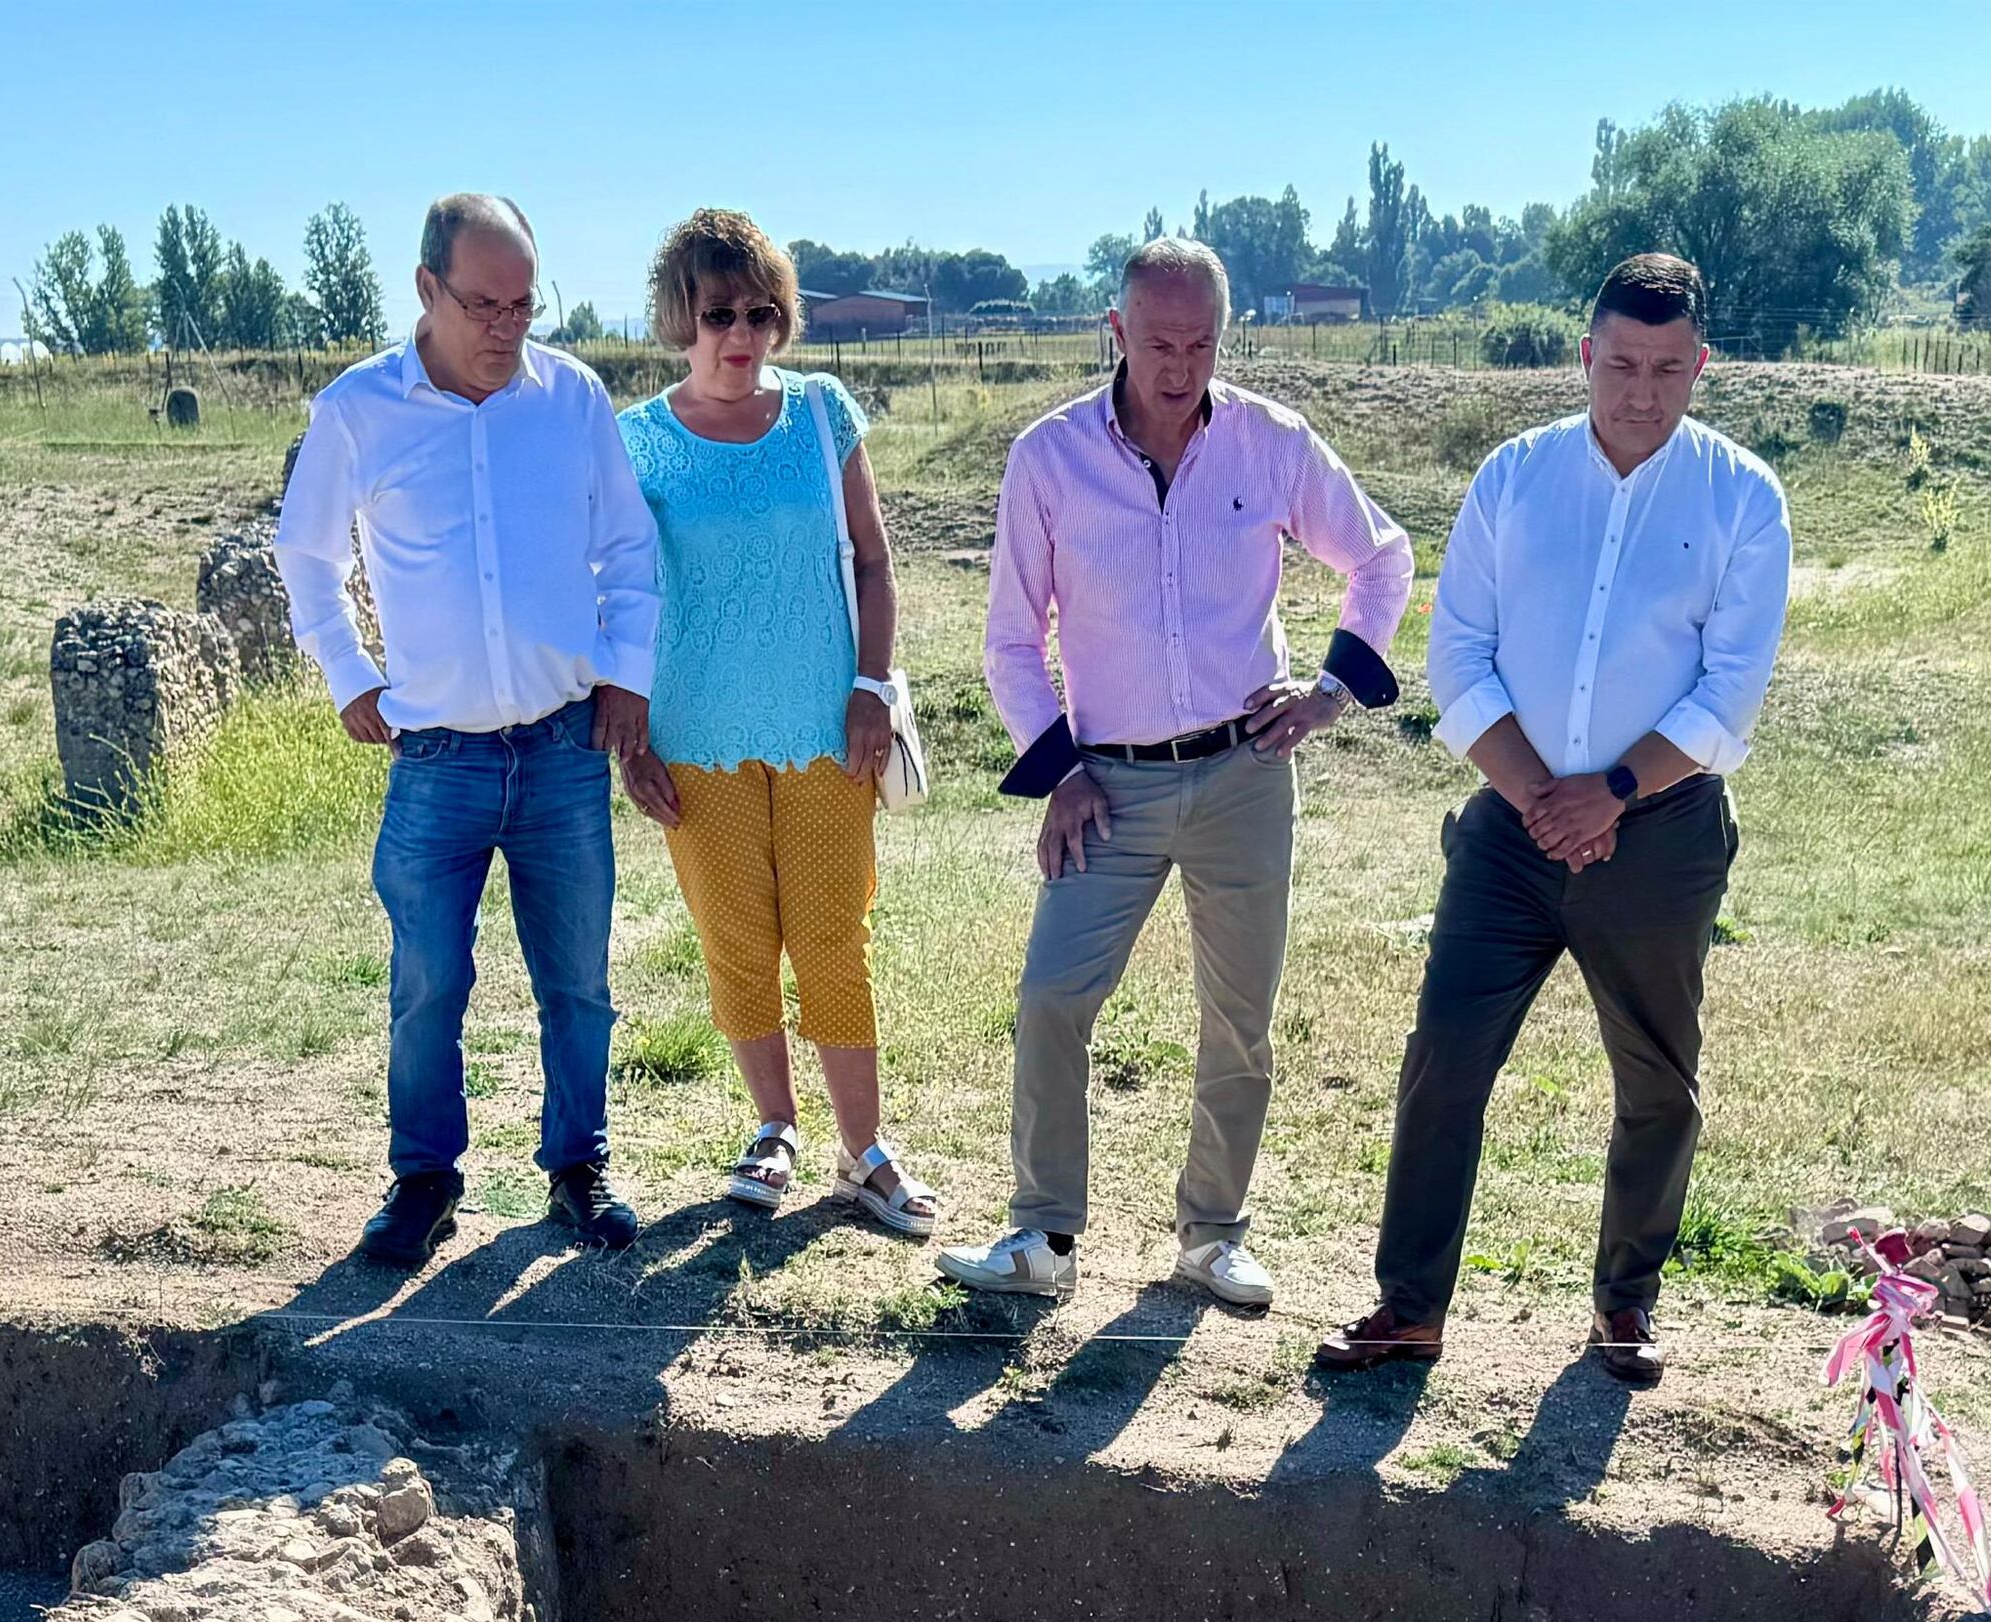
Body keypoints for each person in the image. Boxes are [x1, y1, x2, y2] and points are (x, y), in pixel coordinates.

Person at [1313, 250, 1787, 1395]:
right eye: (1620, 363)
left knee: (1657, 1081)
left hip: (1659, 836)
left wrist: (1611, 792)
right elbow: (1455, 653)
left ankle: (1626, 1305)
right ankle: (1410, 1306)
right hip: (1507, 830)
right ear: (1585, 354)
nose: (1640, 390)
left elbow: (1727, 692)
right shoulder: (1513, 479)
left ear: (1699, 366)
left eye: (1667, 369)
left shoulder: (1741, 497)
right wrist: (1537, 793)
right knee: (1443, 1063)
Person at [950, 238, 1412, 1317]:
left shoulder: (1270, 444)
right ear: (1114, 333)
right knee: (1051, 997)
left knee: (1238, 1015)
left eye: (1201, 343)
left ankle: (1211, 1237)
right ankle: (1042, 1232)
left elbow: (1380, 559)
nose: (1180, 364)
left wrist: (1333, 692)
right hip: (1102, 783)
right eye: (1158, 342)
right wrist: (1058, 771)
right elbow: (1011, 643)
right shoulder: (1048, 458)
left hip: (1243, 771)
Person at [272, 190, 664, 1272]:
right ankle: (423, 1181)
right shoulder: (358, 410)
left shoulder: (572, 397)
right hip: (433, 757)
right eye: (483, 303)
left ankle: (577, 1168)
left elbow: (628, 549)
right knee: (428, 979)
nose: (506, 326)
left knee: (577, 978)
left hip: (560, 749)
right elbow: (305, 554)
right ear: (427, 290)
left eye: (523, 304)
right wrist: (347, 673)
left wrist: (625, 678)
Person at [613, 210, 940, 1242]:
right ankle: (772, 1126)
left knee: (833, 942)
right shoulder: (633, 444)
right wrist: (627, 738)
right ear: (679, 319)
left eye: (759, 313)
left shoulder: (820, 416)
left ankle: (865, 1154)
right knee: (737, 946)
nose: (739, 335)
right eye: (718, 315)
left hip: (825, 731)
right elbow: (616, 597)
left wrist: (870, 688)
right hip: (691, 740)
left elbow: (875, 564)